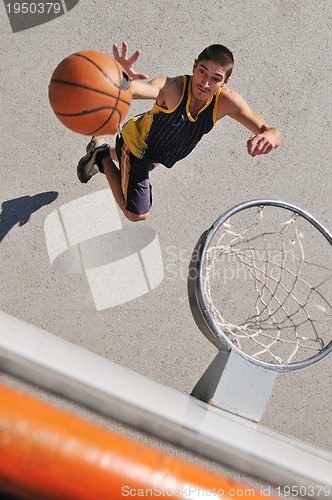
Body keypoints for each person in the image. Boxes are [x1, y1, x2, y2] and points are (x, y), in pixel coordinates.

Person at [77, 41, 282, 222]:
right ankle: (102, 155)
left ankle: (108, 152)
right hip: (138, 147)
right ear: (194, 66)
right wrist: (120, 81)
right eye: (202, 71)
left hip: (160, 152)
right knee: (137, 214)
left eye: (215, 78)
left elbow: (270, 130)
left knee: (134, 162)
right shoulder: (172, 88)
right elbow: (142, 90)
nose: (205, 83)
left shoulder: (225, 102)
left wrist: (271, 136)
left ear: (225, 82)